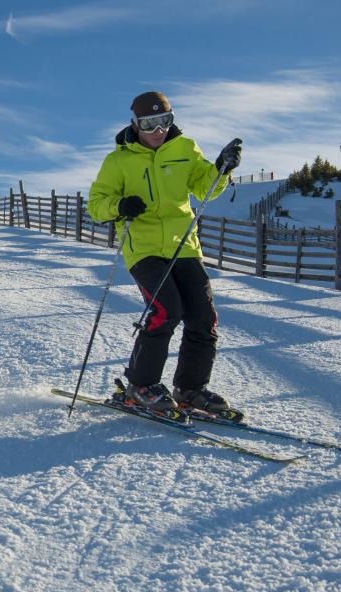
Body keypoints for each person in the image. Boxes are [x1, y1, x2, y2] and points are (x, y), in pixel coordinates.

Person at [87, 91, 242, 414]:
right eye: (149, 123)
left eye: (163, 122)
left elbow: (205, 189)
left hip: (183, 245)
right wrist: (119, 205)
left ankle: (190, 388)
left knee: (203, 316)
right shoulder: (119, 160)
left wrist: (222, 168)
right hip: (143, 248)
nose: (157, 130)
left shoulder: (185, 149)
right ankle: (140, 385)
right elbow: (97, 204)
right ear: (136, 124)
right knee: (165, 310)